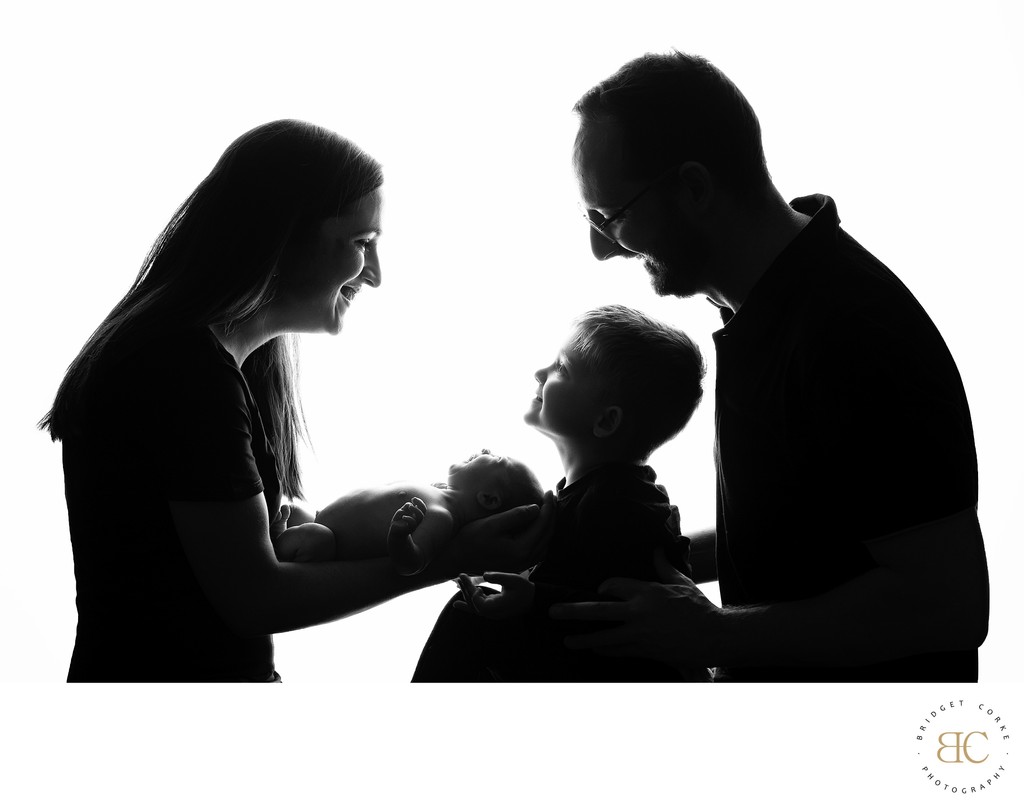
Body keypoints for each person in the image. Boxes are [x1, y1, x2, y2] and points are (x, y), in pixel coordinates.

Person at [39, 119, 553, 682]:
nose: (375, 276)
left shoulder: (209, 365)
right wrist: (454, 559)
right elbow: (255, 598)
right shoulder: (182, 373)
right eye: (362, 243)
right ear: (282, 236)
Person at [550, 51, 989, 682]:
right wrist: (621, 551)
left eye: (610, 218)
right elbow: (806, 543)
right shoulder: (764, 306)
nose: (599, 249)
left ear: (695, 187)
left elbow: (948, 606)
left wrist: (711, 633)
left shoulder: (852, 331)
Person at [414, 304, 709, 682]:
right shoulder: (589, 491)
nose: (540, 373)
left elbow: (627, 610)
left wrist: (534, 598)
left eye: (561, 369)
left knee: (465, 615)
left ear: (605, 421)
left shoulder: (621, 504)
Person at [272, 449, 544, 575]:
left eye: (496, 458)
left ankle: (273, 549)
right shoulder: (440, 495)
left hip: (326, 543)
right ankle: (275, 541)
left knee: (309, 536)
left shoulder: (442, 516)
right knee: (292, 511)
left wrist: (401, 537)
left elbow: (412, 563)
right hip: (319, 519)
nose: (484, 449)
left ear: (489, 499)